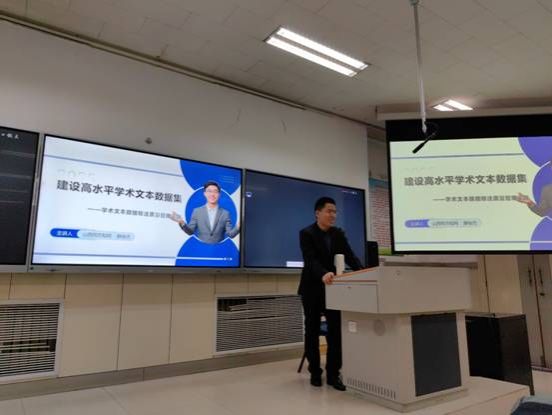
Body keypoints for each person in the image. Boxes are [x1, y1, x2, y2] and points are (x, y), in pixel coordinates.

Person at [298, 196, 363, 391]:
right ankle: (315, 372)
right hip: (312, 288)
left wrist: (363, 272)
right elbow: (310, 260)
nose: (333, 215)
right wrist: (323, 273)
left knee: (336, 331)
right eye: (329, 211)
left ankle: (334, 373)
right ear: (317, 213)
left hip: (334, 290)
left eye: (335, 212)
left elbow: (350, 256)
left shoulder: (338, 234)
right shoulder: (306, 233)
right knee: (312, 330)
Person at [169, 181, 239, 244]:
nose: (212, 194)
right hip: (201, 249)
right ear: (205, 194)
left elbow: (231, 234)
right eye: (209, 191)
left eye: (215, 191)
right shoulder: (197, 211)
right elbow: (190, 232)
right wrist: (181, 222)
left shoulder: (225, 213)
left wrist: (239, 226)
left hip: (218, 250)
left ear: (219, 194)